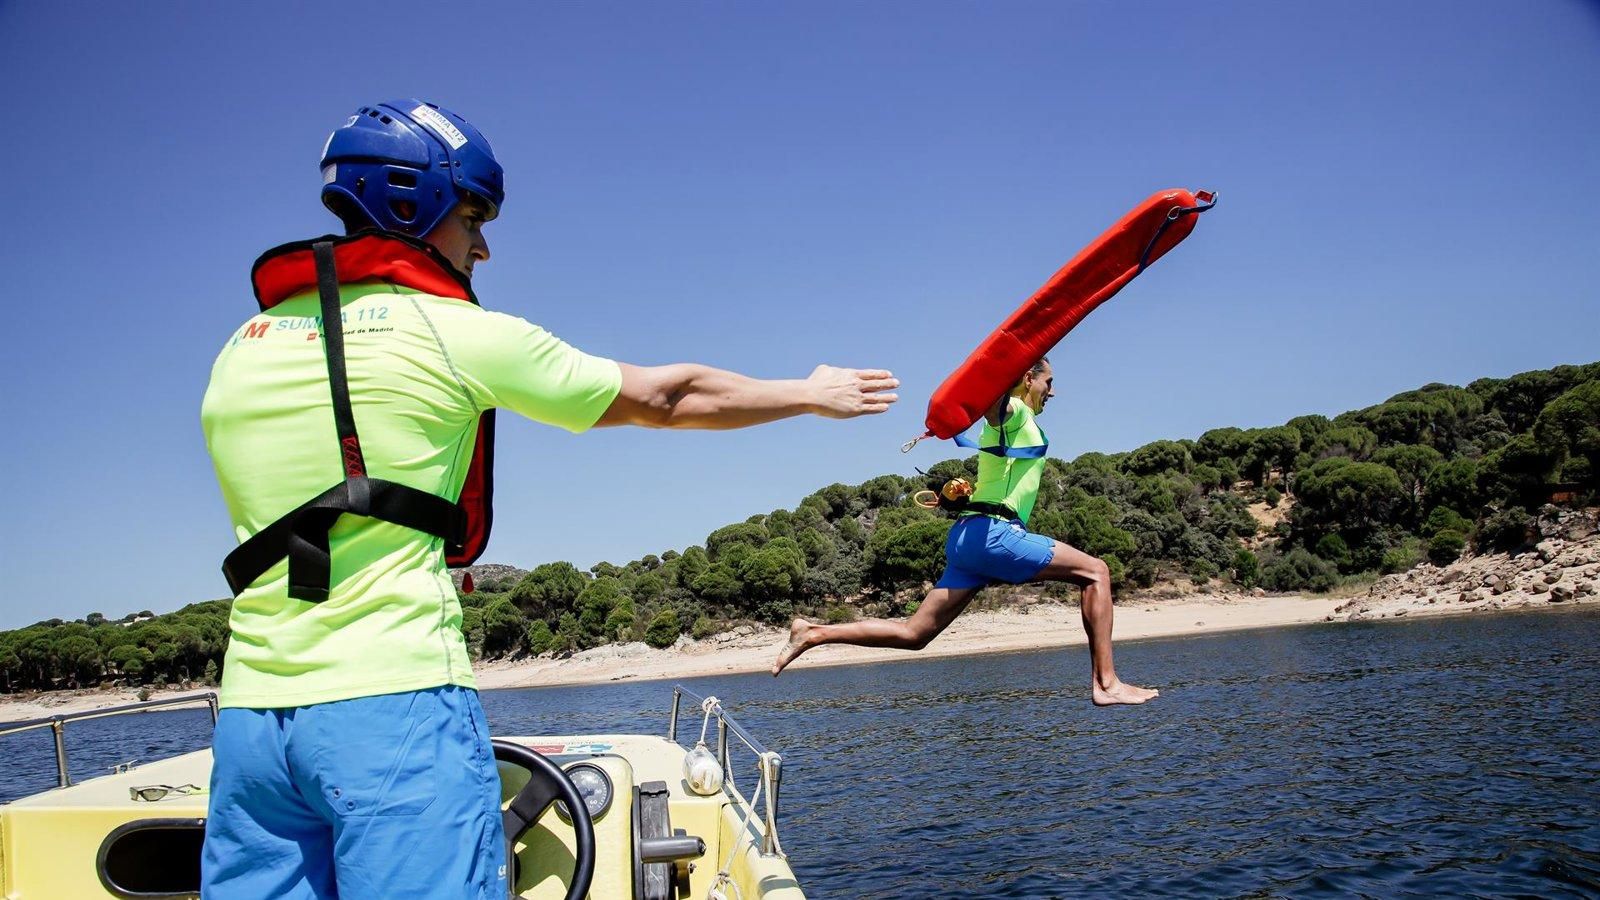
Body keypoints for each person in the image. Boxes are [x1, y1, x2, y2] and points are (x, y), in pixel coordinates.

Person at [199, 99, 898, 900]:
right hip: (390, 704)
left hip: (252, 721)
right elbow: (667, 397)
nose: (484, 245)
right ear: (411, 205)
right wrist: (806, 393)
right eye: (472, 218)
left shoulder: (240, 351)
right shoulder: (454, 332)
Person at [772, 358, 1157, 707]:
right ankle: (1106, 683)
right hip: (993, 534)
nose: (1053, 391)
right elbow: (993, 404)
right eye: (1048, 381)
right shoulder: (1017, 412)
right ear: (1026, 379)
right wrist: (1006, 363)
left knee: (914, 634)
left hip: (967, 538)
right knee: (1096, 571)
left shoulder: (1019, 423)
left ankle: (813, 633)